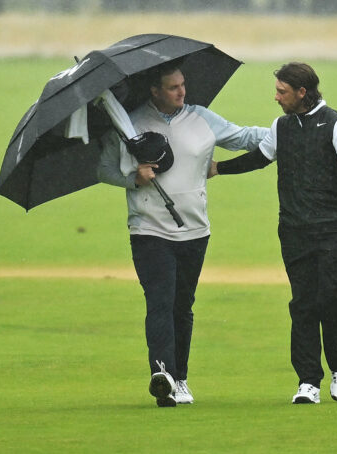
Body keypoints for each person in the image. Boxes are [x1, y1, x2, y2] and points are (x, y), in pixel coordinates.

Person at [98, 64, 267, 407]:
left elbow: (243, 137)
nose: (181, 92)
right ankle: (162, 375)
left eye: (182, 85)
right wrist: (134, 179)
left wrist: (287, 130)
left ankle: (181, 378)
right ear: (155, 91)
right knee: (159, 301)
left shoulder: (201, 118)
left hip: (194, 230)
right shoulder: (128, 124)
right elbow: (103, 169)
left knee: (182, 306)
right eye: (172, 87)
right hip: (148, 229)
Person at [209, 62, 337, 404]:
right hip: (293, 229)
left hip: (332, 228)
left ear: (303, 92)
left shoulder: (336, 125)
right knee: (302, 303)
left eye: (282, 92)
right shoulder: (282, 126)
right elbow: (259, 158)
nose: (276, 97)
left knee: (331, 298)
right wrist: (217, 169)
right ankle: (308, 382)